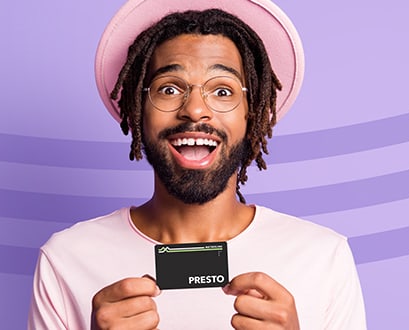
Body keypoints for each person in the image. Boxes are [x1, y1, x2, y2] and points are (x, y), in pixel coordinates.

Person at [28, 0, 367, 329]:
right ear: (137, 110)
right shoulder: (67, 259)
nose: (194, 110)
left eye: (222, 91)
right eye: (170, 88)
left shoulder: (322, 257)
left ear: (253, 116)